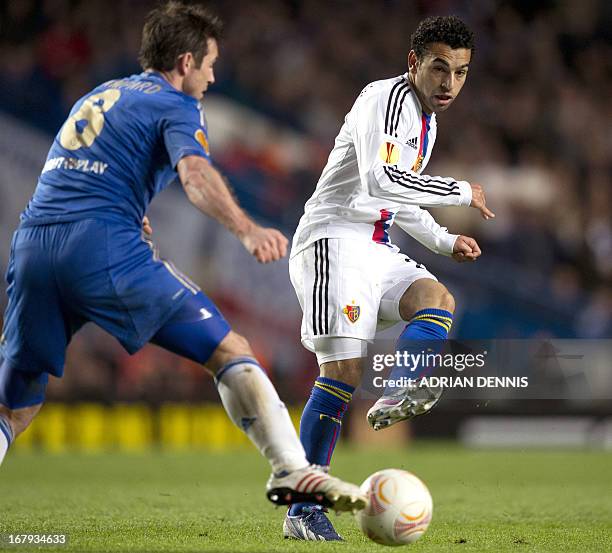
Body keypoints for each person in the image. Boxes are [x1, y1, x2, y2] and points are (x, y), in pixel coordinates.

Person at [0, 1, 366, 514]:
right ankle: (292, 470)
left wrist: (126, 206)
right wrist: (247, 229)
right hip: (101, 247)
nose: (214, 77)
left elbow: (70, 172)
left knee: (15, 405)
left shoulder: (101, 93)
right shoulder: (175, 103)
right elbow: (195, 175)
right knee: (228, 347)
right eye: (211, 63)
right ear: (187, 62)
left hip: (34, 245)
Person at [285, 15, 494, 540]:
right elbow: (380, 179)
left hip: (375, 245)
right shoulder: (386, 98)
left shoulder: (428, 121)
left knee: (437, 299)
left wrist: (444, 240)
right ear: (413, 64)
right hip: (333, 238)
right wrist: (460, 191)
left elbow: (396, 197)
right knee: (342, 373)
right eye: (439, 68)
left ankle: (399, 390)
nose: (450, 84)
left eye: (461, 72)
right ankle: (302, 507)